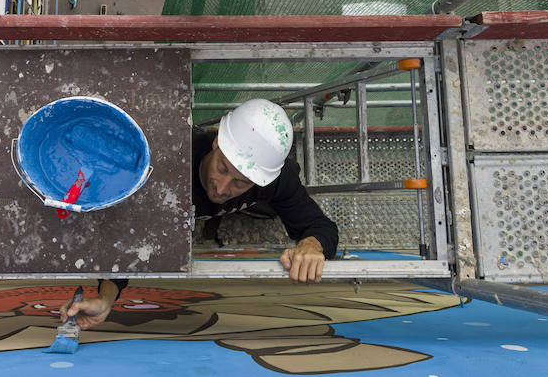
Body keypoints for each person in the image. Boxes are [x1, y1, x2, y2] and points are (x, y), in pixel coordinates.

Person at [63, 99, 340, 328]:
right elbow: (131, 242)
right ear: (217, 143)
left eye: (240, 182)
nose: (221, 188)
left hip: (257, 205)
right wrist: (106, 299)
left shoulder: (278, 179)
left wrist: (311, 245)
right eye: (222, 168)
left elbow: (320, 227)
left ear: (261, 180)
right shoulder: (170, 166)